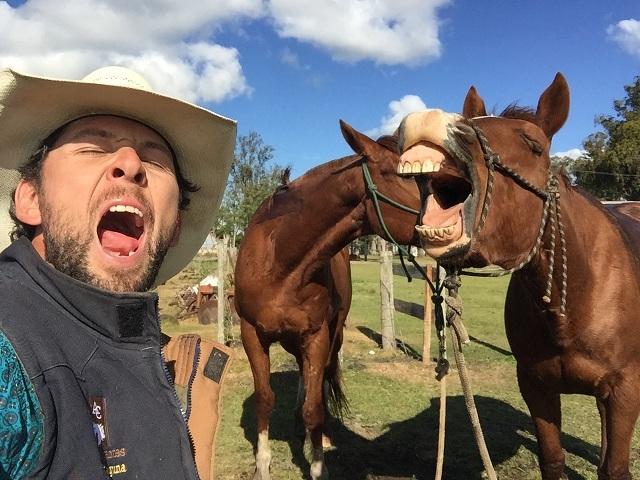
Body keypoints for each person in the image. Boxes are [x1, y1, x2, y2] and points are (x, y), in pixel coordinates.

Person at [0, 66, 236, 479]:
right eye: (92, 147)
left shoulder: (135, 343)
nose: (130, 163)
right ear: (31, 199)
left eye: (154, 158)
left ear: (175, 226)